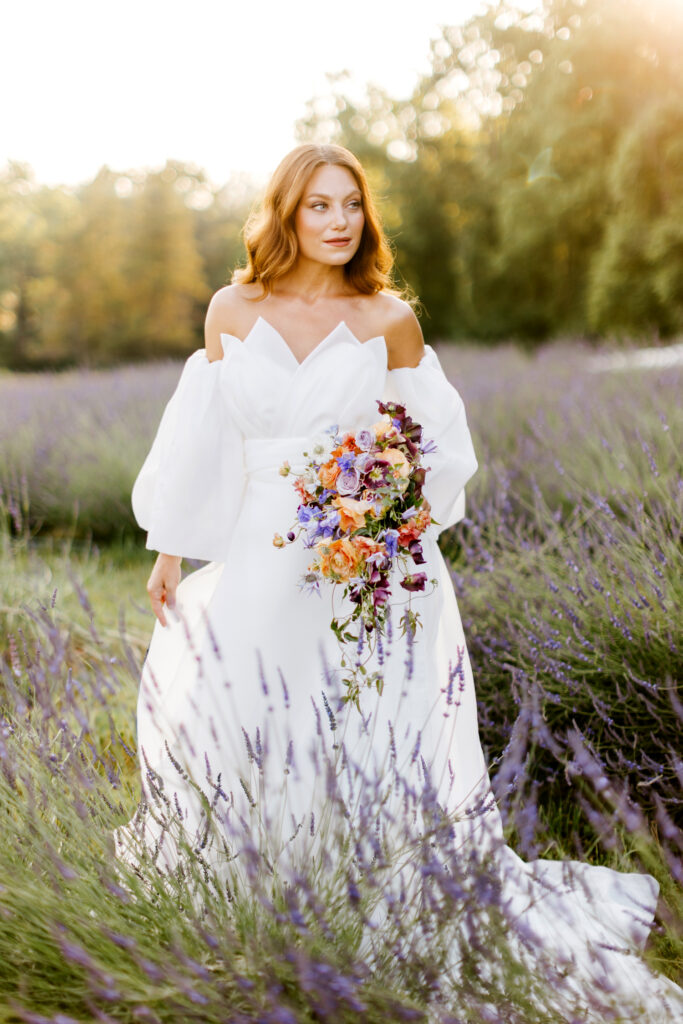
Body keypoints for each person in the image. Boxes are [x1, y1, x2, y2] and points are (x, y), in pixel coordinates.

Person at [116, 143, 683, 1021]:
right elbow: (208, 439)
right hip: (263, 554)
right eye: (319, 207)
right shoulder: (232, 309)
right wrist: (170, 548)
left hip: (369, 563)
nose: (339, 222)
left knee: (368, 728)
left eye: (351, 205)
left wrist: (383, 511)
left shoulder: (387, 320)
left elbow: (437, 449)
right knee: (253, 715)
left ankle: (381, 901)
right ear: (285, 215)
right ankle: (271, 905)